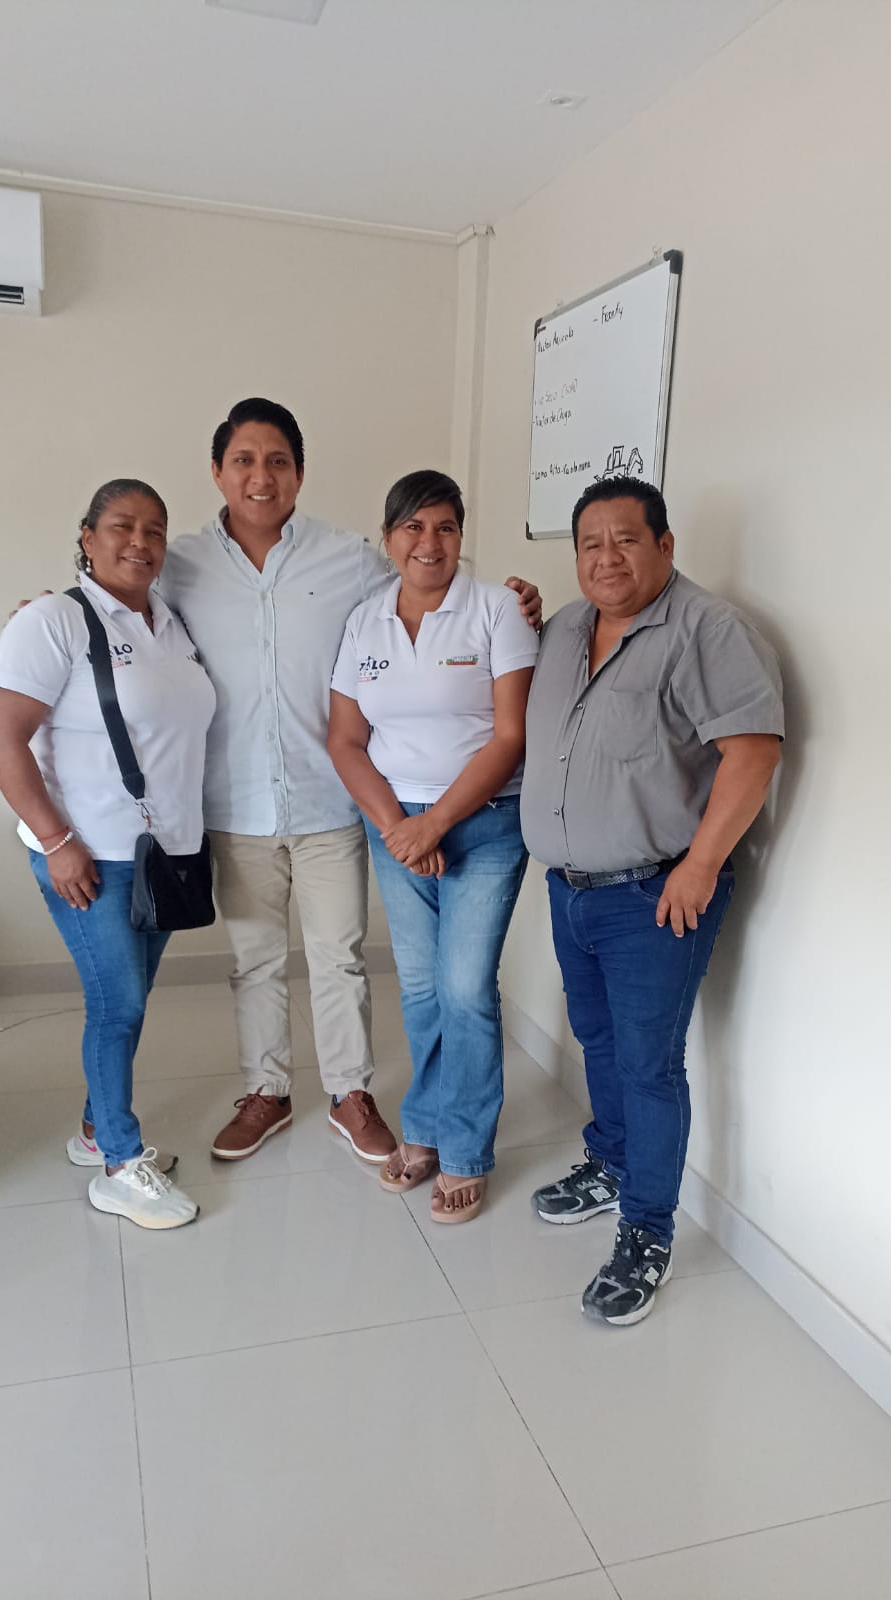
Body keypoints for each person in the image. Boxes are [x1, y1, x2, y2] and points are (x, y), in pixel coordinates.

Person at [160, 399, 543, 1169]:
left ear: (299, 473)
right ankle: (265, 1091)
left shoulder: (350, 559)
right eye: (244, 460)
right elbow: (117, 609)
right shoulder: (179, 565)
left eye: (277, 461)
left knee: (339, 956)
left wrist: (521, 604)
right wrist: (54, 612)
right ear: (217, 471)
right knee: (256, 960)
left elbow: (430, 582)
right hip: (235, 798)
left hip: (333, 799)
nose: (261, 476)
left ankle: (349, 1094)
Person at [522, 476, 783, 1323]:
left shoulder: (707, 630)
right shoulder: (566, 629)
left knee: (647, 1064)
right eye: (590, 544)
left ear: (664, 546)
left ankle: (646, 1229)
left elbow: (751, 752)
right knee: (597, 1039)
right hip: (570, 890)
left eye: (626, 540)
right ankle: (611, 1160)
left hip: (653, 896)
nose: (606, 558)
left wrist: (701, 864)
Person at [0, 480, 215, 1229]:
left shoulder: (172, 624)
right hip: (88, 855)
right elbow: (1, 739)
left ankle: (92, 1129)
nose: (139, 542)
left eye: (154, 530)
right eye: (122, 526)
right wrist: (57, 843)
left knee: (131, 1000)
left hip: (164, 856)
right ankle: (118, 1161)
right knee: (117, 1005)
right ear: (87, 537)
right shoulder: (52, 620)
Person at [328, 471, 539, 1222]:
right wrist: (399, 825)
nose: (430, 542)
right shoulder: (364, 622)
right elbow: (345, 739)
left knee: (464, 988)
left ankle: (465, 1152)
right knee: (420, 989)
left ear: (461, 537)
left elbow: (511, 737)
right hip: (395, 824)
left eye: (445, 527)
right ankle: (422, 1126)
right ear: (388, 539)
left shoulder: (496, 610)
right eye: (413, 527)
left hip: (483, 821)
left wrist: (436, 823)